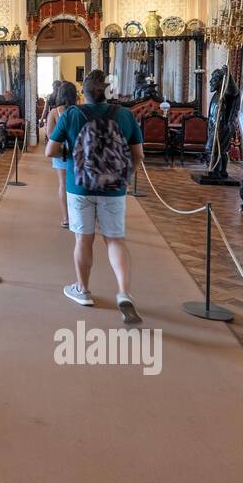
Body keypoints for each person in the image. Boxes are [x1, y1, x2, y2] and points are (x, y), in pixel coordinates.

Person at [45, 69, 145, 324]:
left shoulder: (71, 114)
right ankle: (124, 292)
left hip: (79, 186)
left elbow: (50, 150)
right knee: (115, 240)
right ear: (107, 91)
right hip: (114, 187)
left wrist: (72, 157)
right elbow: (138, 156)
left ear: (84, 93)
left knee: (83, 240)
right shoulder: (125, 115)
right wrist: (123, 175)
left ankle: (83, 289)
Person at [42, 81, 79, 229]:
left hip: (61, 151)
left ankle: (66, 218)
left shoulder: (54, 112)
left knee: (63, 184)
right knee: (77, 182)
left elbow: (51, 134)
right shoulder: (78, 111)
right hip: (77, 151)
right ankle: (80, 214)